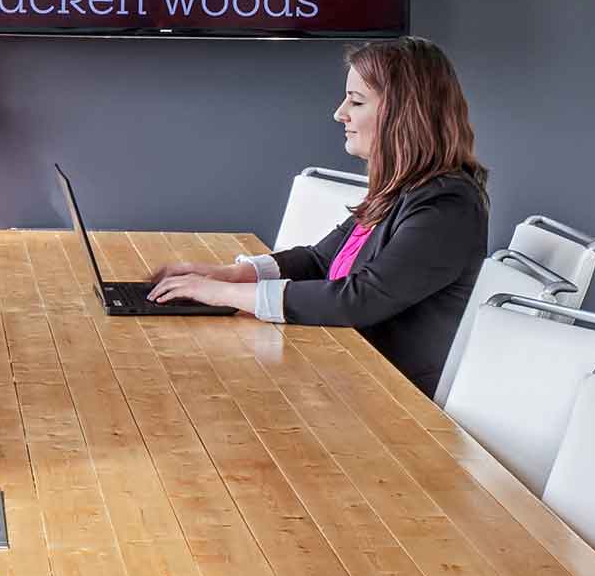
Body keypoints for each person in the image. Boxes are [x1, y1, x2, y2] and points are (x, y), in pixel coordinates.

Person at [147, 36, 492, 390]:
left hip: (393, 401)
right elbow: (318, 261)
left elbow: (359, 300)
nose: (340, 113)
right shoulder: (400, 189)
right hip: (346, 370)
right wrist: (230, 275)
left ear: (402, 114)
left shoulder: (447, 206)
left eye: (356, 101)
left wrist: (222, 295)